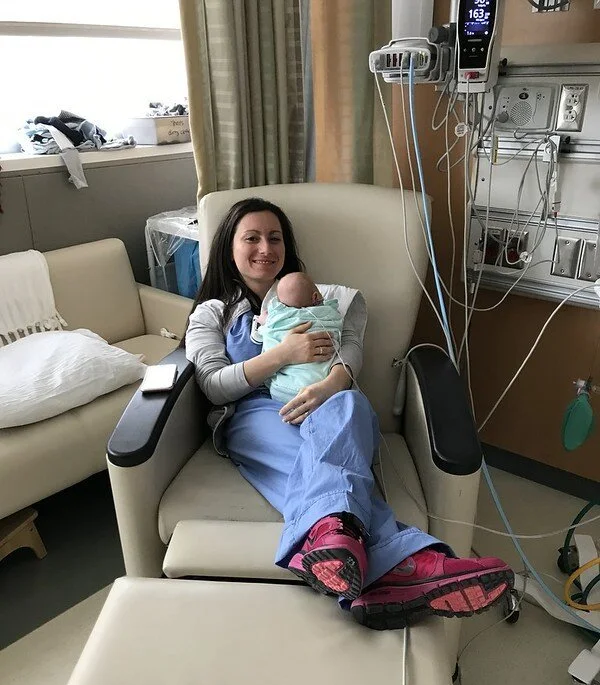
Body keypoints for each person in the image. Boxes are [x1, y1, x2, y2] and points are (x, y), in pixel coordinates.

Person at [184, 197, 513, 630]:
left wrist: (334, 382)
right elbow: (211, 383)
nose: (266, 247)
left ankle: (337, 547)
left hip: (327, 400)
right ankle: (409, 564)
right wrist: (284, 354)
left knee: (352, 404)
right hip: (258, 413)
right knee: (325, 468)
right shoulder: (214, 311)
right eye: (252, 238)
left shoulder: (323, 297)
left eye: (275, 237)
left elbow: (351, 346)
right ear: (229, 247)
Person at [254, 272, 344, 404]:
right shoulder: (328, 314)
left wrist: (266, 322)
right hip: (319, 388)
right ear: (315, 296)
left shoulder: (278, 318)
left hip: (282, 390)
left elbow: (270, 332)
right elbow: (337, 328)